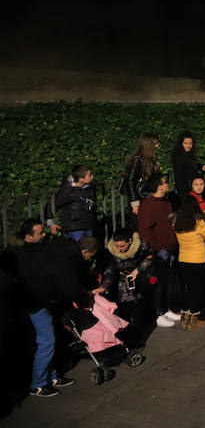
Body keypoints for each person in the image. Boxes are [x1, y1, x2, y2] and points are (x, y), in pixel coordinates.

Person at [12, 219, 83, 397]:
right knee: (46, 342)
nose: (44, 234)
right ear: (28, 237)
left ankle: (51, 376)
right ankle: (38, 383)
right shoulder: (23, 256)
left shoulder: (38, 250)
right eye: (40, 233)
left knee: (51, 340)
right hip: (36, 304)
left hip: (46, 302)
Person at [136, 173, 181, 328]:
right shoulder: (148, 205)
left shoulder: (165, 201)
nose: (168, 184)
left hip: (169, 248)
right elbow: (144, 230)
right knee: (158, 283)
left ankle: (165, 308)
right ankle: (158, 313)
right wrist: (158, 247)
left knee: (166, 281)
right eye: (165, 182)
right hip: (160, 250)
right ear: (159, 186)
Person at [102, 228, 157, 348]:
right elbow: (110, 270)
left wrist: (138, 270)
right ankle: (125, 341)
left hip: (139, 280)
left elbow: (150, 257)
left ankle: (137, 341)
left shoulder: (141, 245)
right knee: (123, 312)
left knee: (138, 312)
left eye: (122, 246)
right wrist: (105, 285)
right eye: (116, 246)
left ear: (130, 241)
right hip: (122, 283)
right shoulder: (111, 251)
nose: (119, 249)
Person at [174, 197, 205, 330]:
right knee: (197, 289)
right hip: (198, 259)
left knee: (188, 288)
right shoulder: (198, 222)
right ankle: (193, 320)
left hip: (183, 259)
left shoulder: (177, 223)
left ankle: (184, 317)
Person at [44, 165, 97, 242]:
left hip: (88, 225)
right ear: (81, 179)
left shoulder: (89, 187)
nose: (92, 177)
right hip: (74, 228)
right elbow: (52, 204)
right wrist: (51, 223)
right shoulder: (67, 191)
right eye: (89, 175)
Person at [120, 133, 160, 221]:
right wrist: (135, 204)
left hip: (148, 196)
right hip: (140, 198)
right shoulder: (137, 160)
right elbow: (131, 182)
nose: (157, 146)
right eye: (155, 144)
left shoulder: (150, 160)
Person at [171, 131, 205, 203]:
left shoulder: (190, 155)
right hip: (184, 188)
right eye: (186, 143)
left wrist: (200, 166)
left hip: (193, 185)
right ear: (181, 144)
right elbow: (180, 174)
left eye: (190, 143)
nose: (188, 146)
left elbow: (192, 165)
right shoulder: (178, 157)